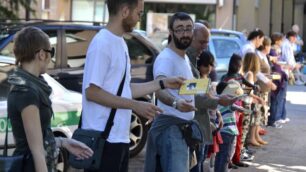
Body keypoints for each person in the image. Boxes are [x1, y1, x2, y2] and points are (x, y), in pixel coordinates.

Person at [81, 1, 184, 171]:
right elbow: (92, 92)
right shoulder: (102, 43)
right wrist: (136, 105)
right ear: (125, 11)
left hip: (119, 139)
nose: (139, 18)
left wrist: (162, 83)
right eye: (139, 13)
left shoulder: (120, 42)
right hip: (102, 139)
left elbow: (124, 89)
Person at [7, 26, 94, 172]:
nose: (50, 58)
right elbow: (37, 151)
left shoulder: (25, 85)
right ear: (41, 54)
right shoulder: (27, 91)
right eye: (51, 52)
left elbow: (36, 139)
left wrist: (64, 142)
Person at [144, 12, 197, 172]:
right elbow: (159, 89)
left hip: (181, 129)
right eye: (179, 29)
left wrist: (212, 97)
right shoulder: (166, 58)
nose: (185, 33)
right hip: (171, 129)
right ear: (171, 32)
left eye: (188, 28)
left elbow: (186, 89)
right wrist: (175, 103)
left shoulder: (184, 57)